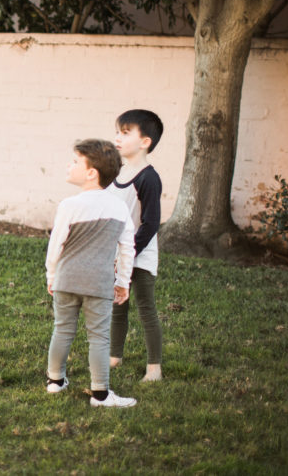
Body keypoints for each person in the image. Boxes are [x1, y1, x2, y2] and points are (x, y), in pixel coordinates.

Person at [45, 138, 137, 408]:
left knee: (62, 330)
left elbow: (56, 246)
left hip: (67, 279)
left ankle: (55, 381)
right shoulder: (119, 207)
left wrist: (52, 276)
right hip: (99, 283)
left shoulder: (69, 205)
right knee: (99, 337)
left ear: (91, 173)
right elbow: (127, 249)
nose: (69, 165)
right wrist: (123, 282)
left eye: (75, 161)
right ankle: (100, 395)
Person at [108, 109, 164, 382]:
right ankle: (114, 357)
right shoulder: (115, 173)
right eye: (117, 132)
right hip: (117, 253)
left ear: (145, 142)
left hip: (140, 254)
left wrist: (129, 255)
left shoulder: (148, 178)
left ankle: (154, 368)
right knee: (118, 305)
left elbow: (150, 224)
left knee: (145, 307)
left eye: (125, 133)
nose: (118, 138)